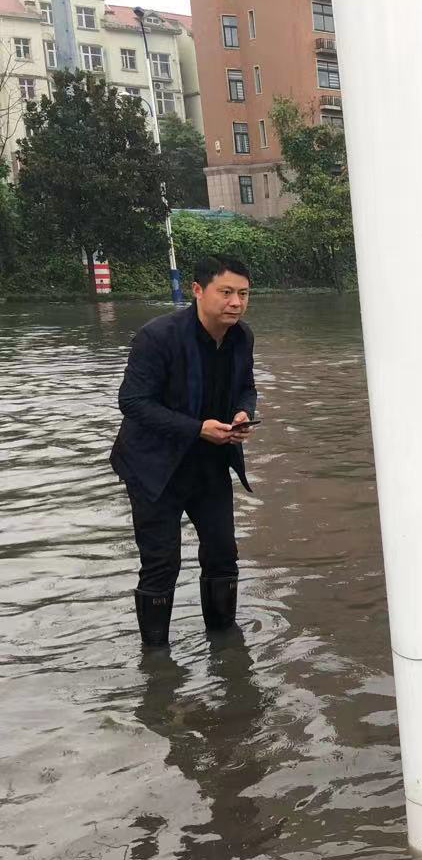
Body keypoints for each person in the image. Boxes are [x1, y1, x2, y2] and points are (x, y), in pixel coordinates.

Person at [110, 256, 258, 648]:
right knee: (161, 563)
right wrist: (196, 429)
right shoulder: (157, 337)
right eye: (225, 292)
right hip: (154, 467)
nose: (235, 303)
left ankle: (225, 645)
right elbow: (133, 402)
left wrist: (245, 413)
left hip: (211, 461)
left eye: (243, 294)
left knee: (224, 553)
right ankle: (156, 659)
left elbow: (246, 387)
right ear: (197, 290)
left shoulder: (242, 337)